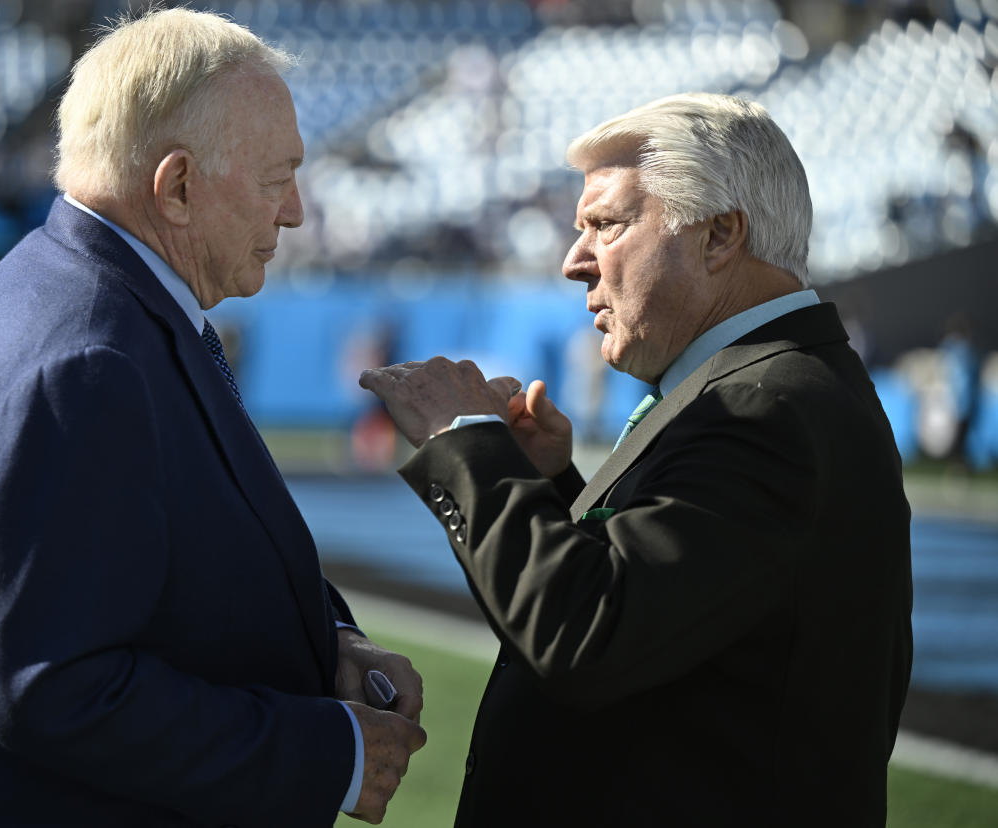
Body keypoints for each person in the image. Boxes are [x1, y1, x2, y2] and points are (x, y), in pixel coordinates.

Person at [0, 9, 425, 827]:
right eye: (275, 179)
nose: (293, 212)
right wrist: (333, 752)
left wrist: (324, 643)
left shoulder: (73, 292)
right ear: (178, 186)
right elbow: (54, 687)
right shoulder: (90, 360)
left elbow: (178, 557)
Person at [360, 93, 912, 827]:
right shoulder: (762, 388)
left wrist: (463, 441)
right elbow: (668, 617)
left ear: (720, 236)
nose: (572, 261)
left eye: (606, 225)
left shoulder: (765, 407)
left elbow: (587, 636)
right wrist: (551, 485)